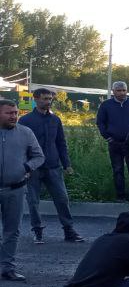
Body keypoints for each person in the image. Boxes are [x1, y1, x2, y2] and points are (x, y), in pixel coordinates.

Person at [19, 87, 83, 245]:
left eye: (50, 99)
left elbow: (61, 143)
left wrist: (67, 164)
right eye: (45, 99)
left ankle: (69, 230)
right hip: (33, 168)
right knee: (33, 201)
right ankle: (38, 231)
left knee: (62, 199)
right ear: (36, 99)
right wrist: (24, 168)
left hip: (53, 166)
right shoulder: (25, 121)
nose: (48, 102)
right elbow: (20, 146)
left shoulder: (55, 120)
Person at [0, 99, 43, 282]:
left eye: (15, 112)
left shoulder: (25, 133)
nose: (14, 116)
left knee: (12, 231)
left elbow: (39, 156)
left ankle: (7, 268)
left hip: (15, 189)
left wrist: (26, 167)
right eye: (9, 113)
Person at [96, 81, 129, 200]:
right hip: (114, 143)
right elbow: (100, 122)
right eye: (119, 90)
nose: (122, 93)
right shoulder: (106, 105)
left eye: (124, 90)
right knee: (118, 170)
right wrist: (107, 136)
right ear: (113, 91)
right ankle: (120, 196)